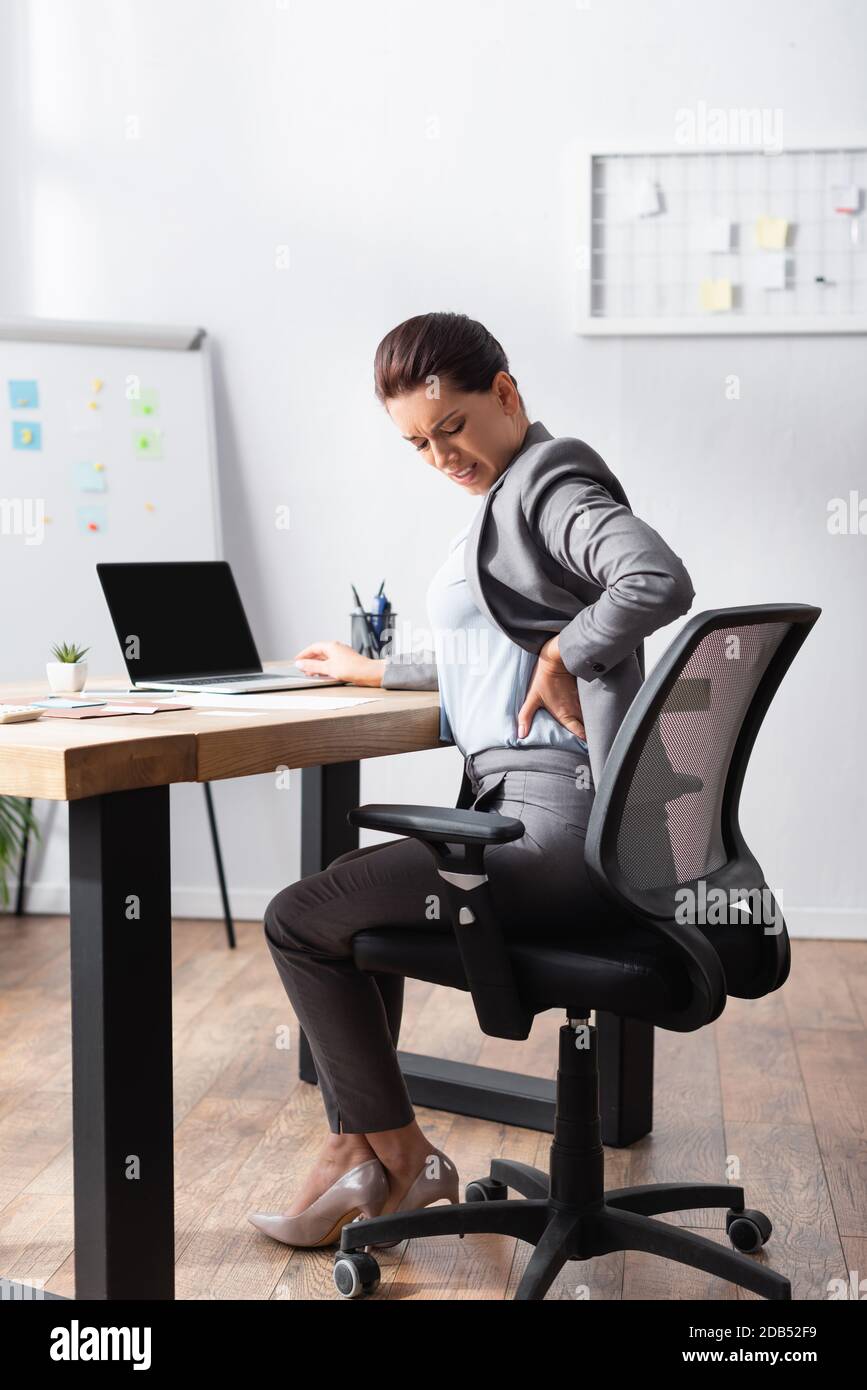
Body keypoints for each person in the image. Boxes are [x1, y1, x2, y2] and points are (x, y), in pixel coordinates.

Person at [249, 311, 695, 1248]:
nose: (439, 453)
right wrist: (370, 671)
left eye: (451, 425)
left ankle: (398, 1158)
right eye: (417, 443)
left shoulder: (549, 479)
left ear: (504, 392)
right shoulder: (504, 502)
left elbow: (653, 576)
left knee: (299, 916)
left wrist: (569, 652)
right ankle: (362, 1152)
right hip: (543, 812)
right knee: (348, 900)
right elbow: (488, 660)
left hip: (557, 824)